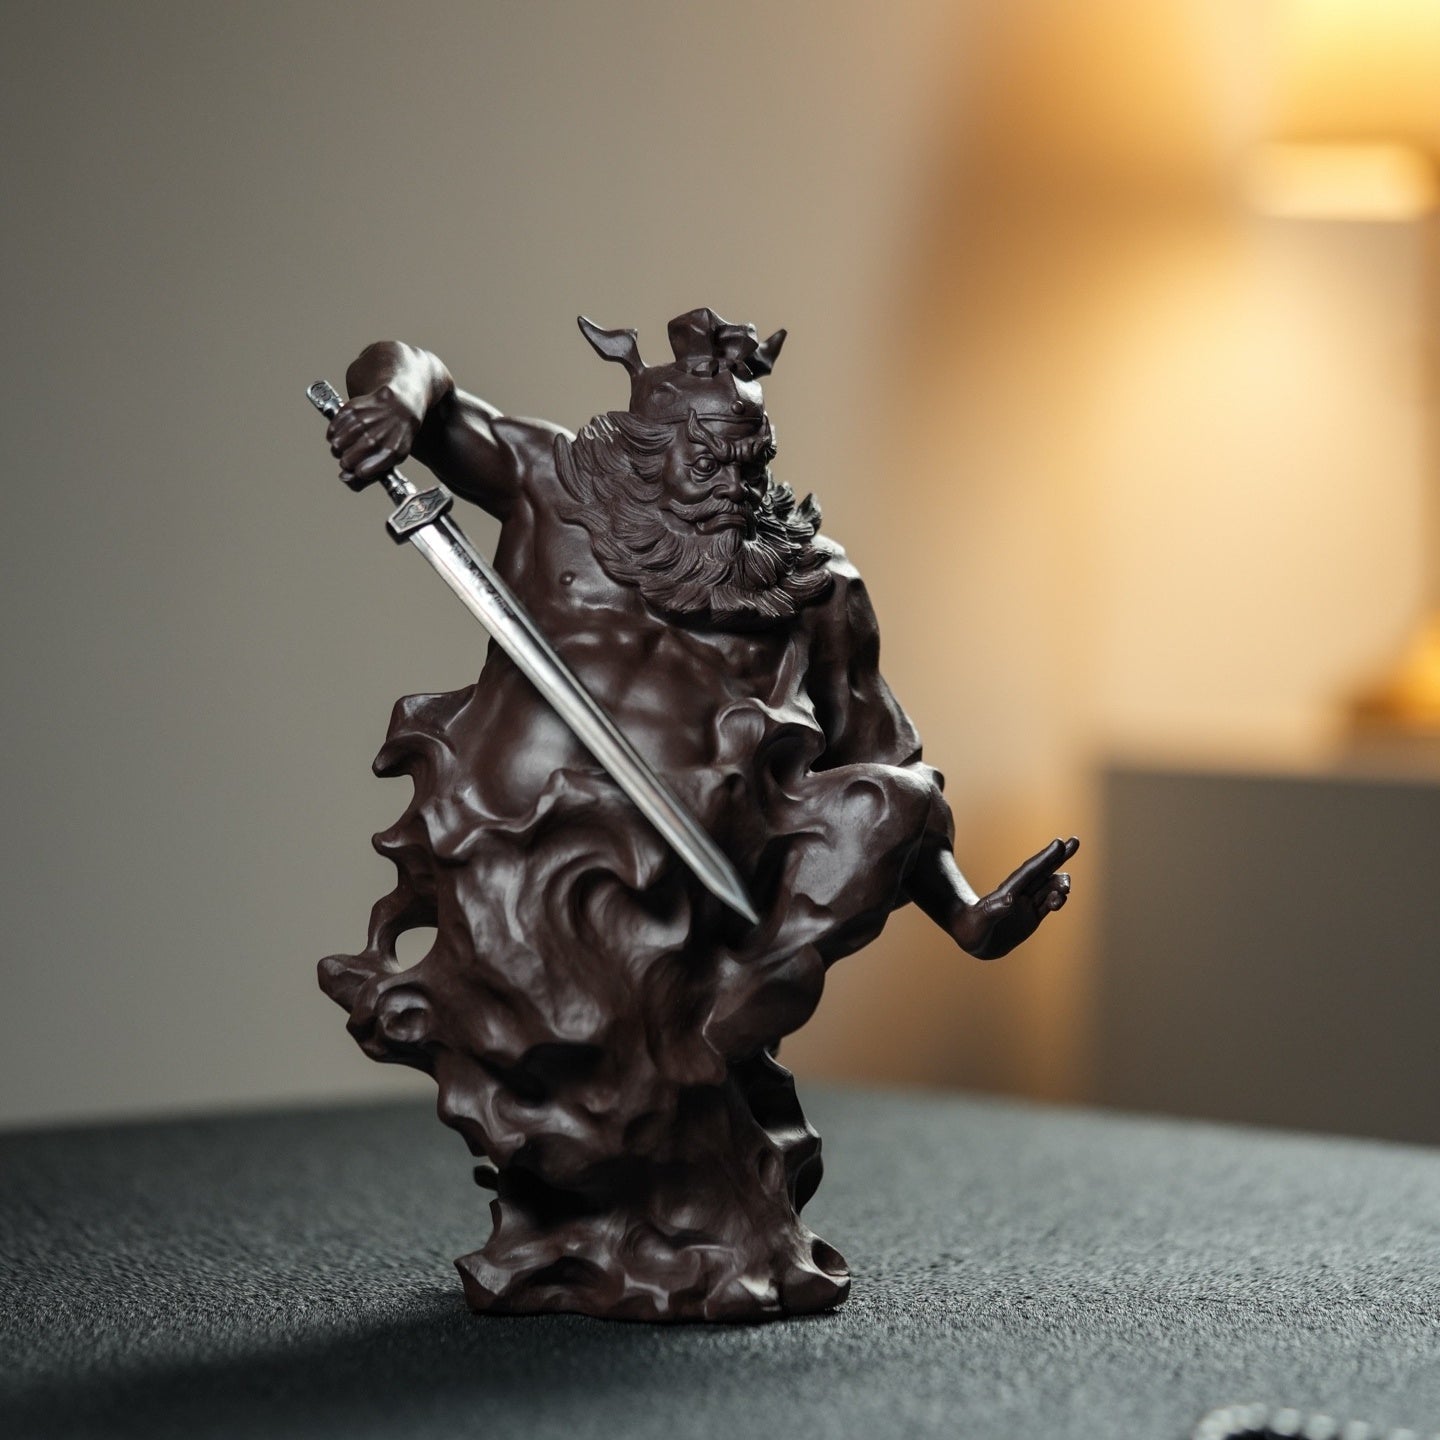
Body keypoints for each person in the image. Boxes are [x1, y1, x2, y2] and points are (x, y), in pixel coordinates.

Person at [320, 308, 1077, 1321]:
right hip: (537, 855)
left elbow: (883, 753)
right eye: (708, 457)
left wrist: (968, 916)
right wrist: (394, 404)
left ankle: (709, 1040)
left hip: (721, 884)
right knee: (599, 1091)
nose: (733, 483)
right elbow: (414, 367)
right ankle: (640, 1141)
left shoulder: (812, 582)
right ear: (648, 446)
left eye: (752, 458)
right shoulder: (554, 487)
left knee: (895, 805)